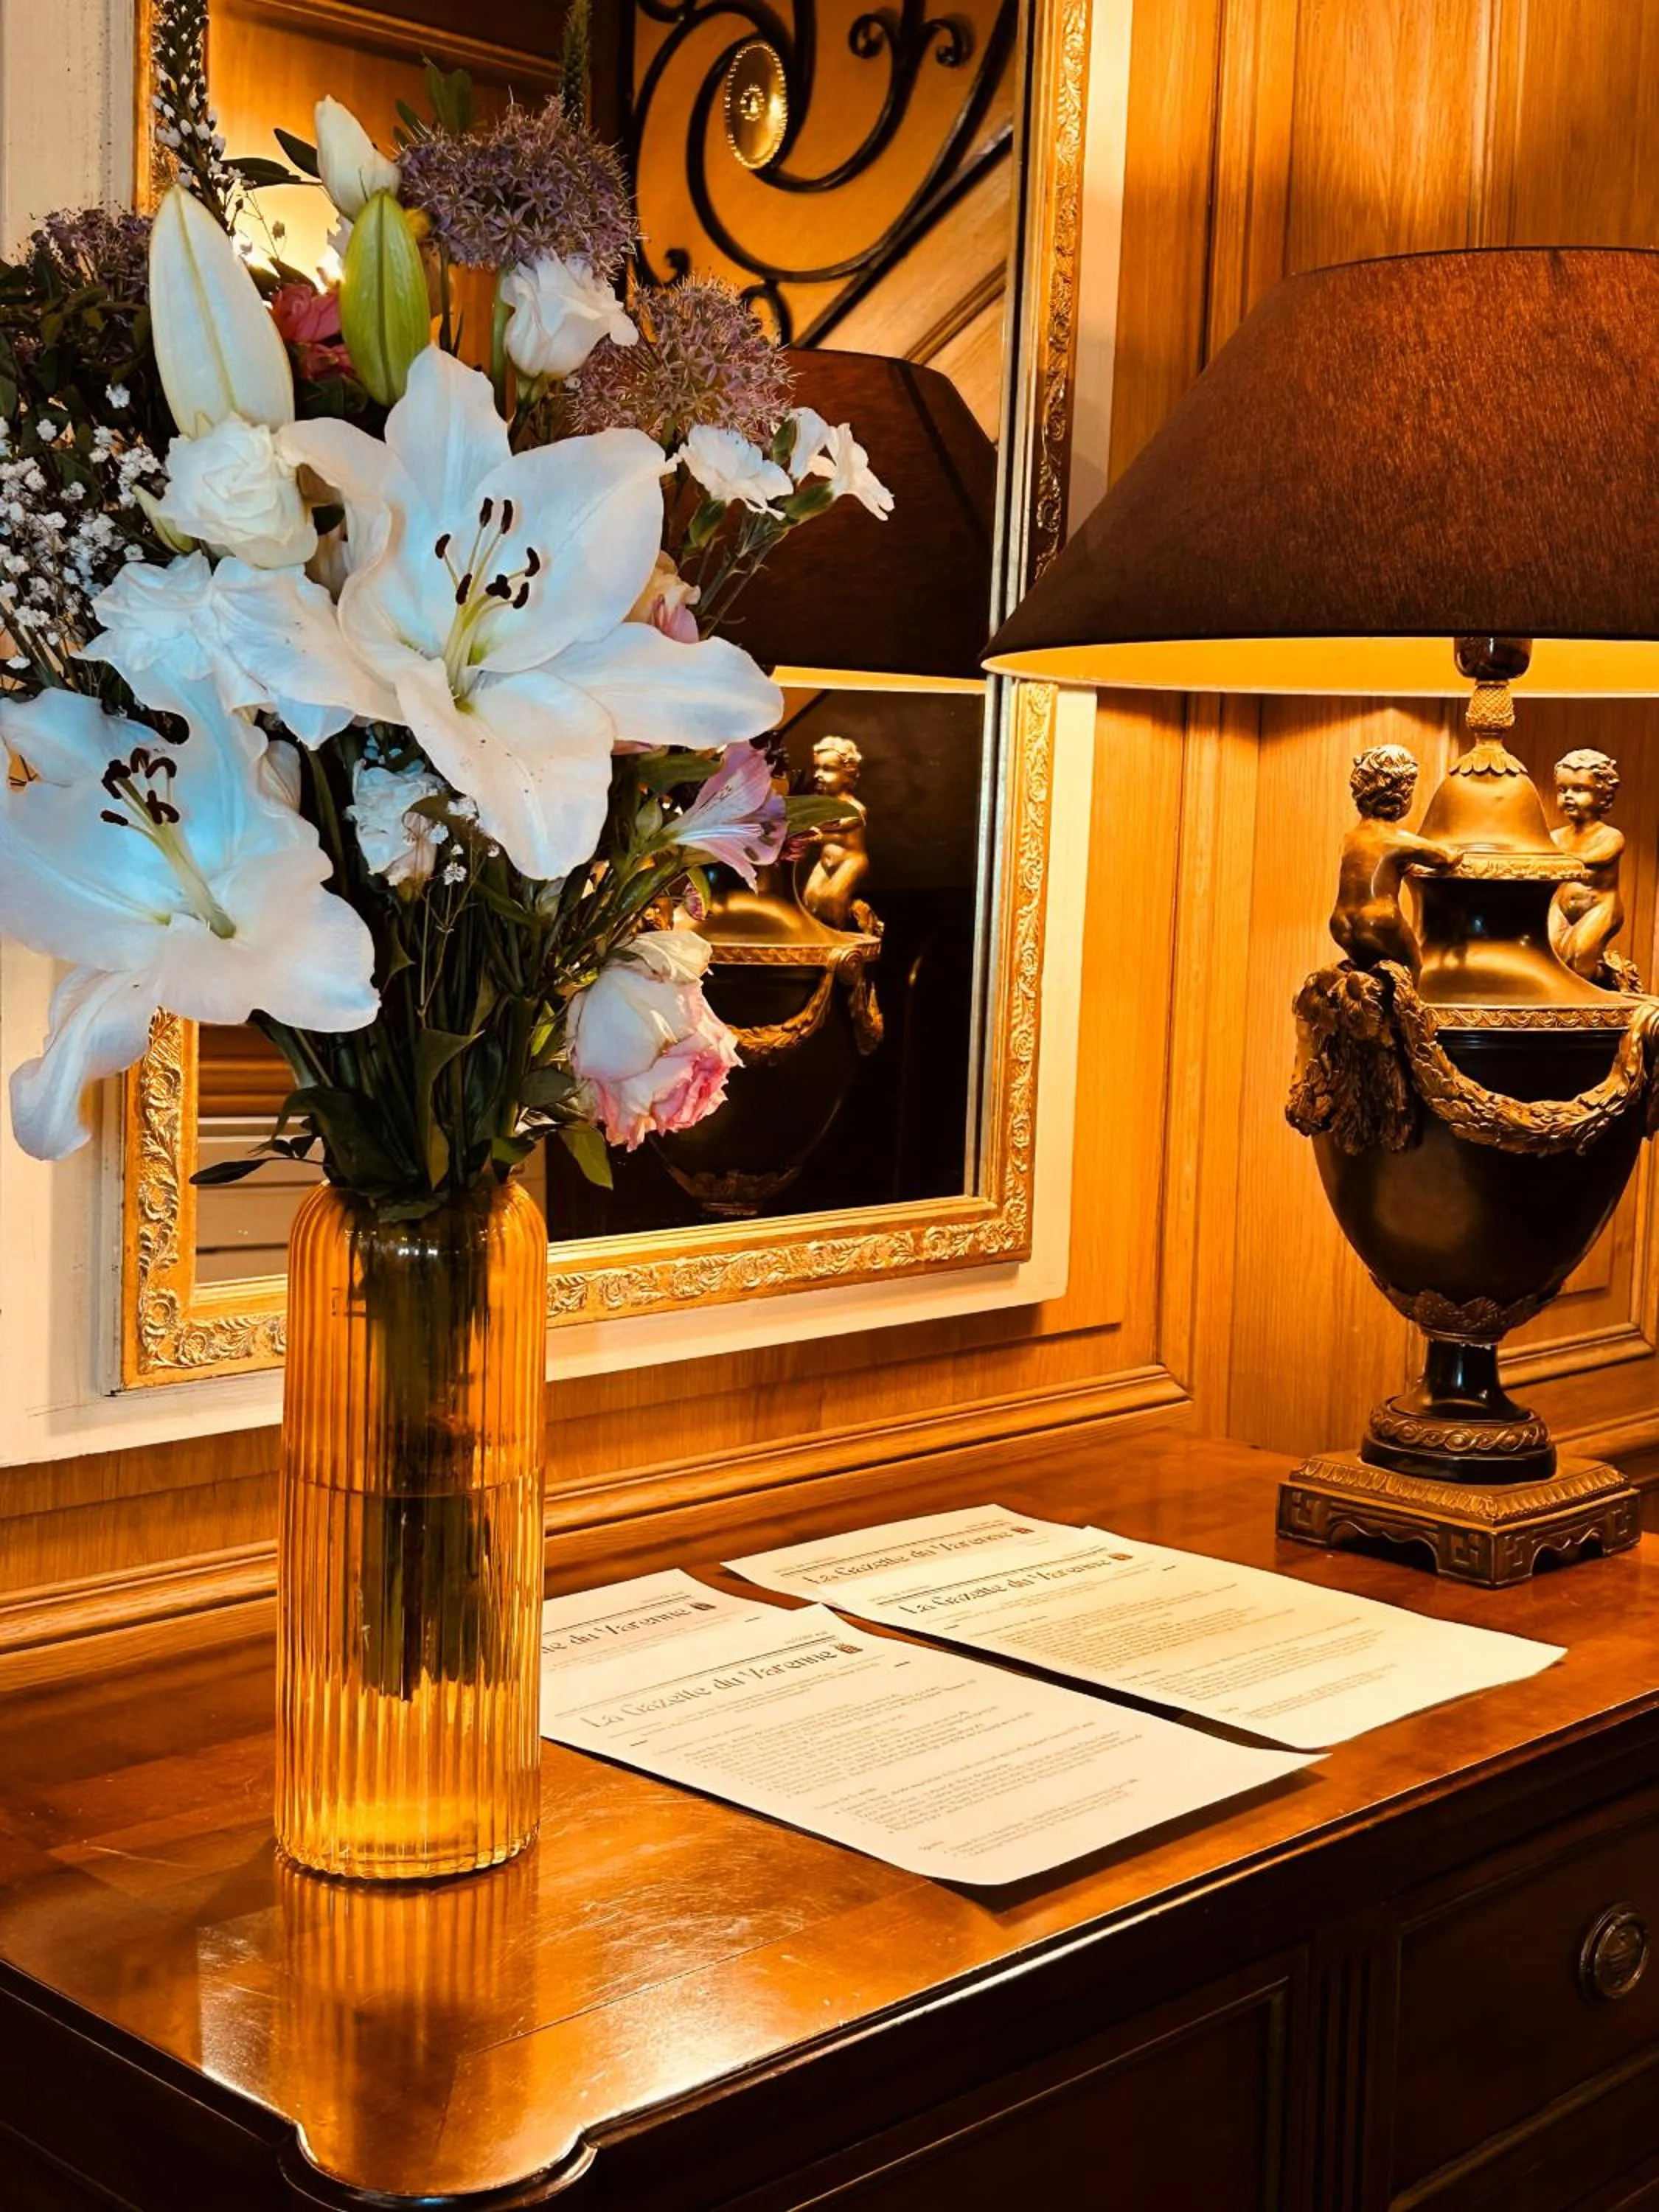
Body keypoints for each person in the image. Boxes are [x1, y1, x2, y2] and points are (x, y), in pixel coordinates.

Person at [1329, 744, 1456, 972]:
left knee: (1368, 971)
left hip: (1340, 923)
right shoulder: (1396, 840)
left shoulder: (1350, 838)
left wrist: (1402, 864)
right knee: (1412, 966)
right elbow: (1445, 858)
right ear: (1402, 795)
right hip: (1380, 921)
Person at [1550, 749, 1626, 983]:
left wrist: (1555, 858)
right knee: (1548, 957)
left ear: (1603, 797)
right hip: (1560, 907)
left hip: (1599, 907)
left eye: (1579, 789)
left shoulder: (1610, 836)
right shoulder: (1555, 837)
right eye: (1562, 790)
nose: (1568, 796)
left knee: (1580, 963)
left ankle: (1612, 976)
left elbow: (1594, 858)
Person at [799, 737, 872, 929]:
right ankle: (819, 936)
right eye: (817, 768)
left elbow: (834, 828)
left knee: (832, 898)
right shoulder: (822, 806)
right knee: (811, 897)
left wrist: (810, 831)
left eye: (828, 769)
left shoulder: (855, 809)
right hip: (826, 862)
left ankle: (844, 931)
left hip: (850, 862)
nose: (818, 775)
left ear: (847, 775)